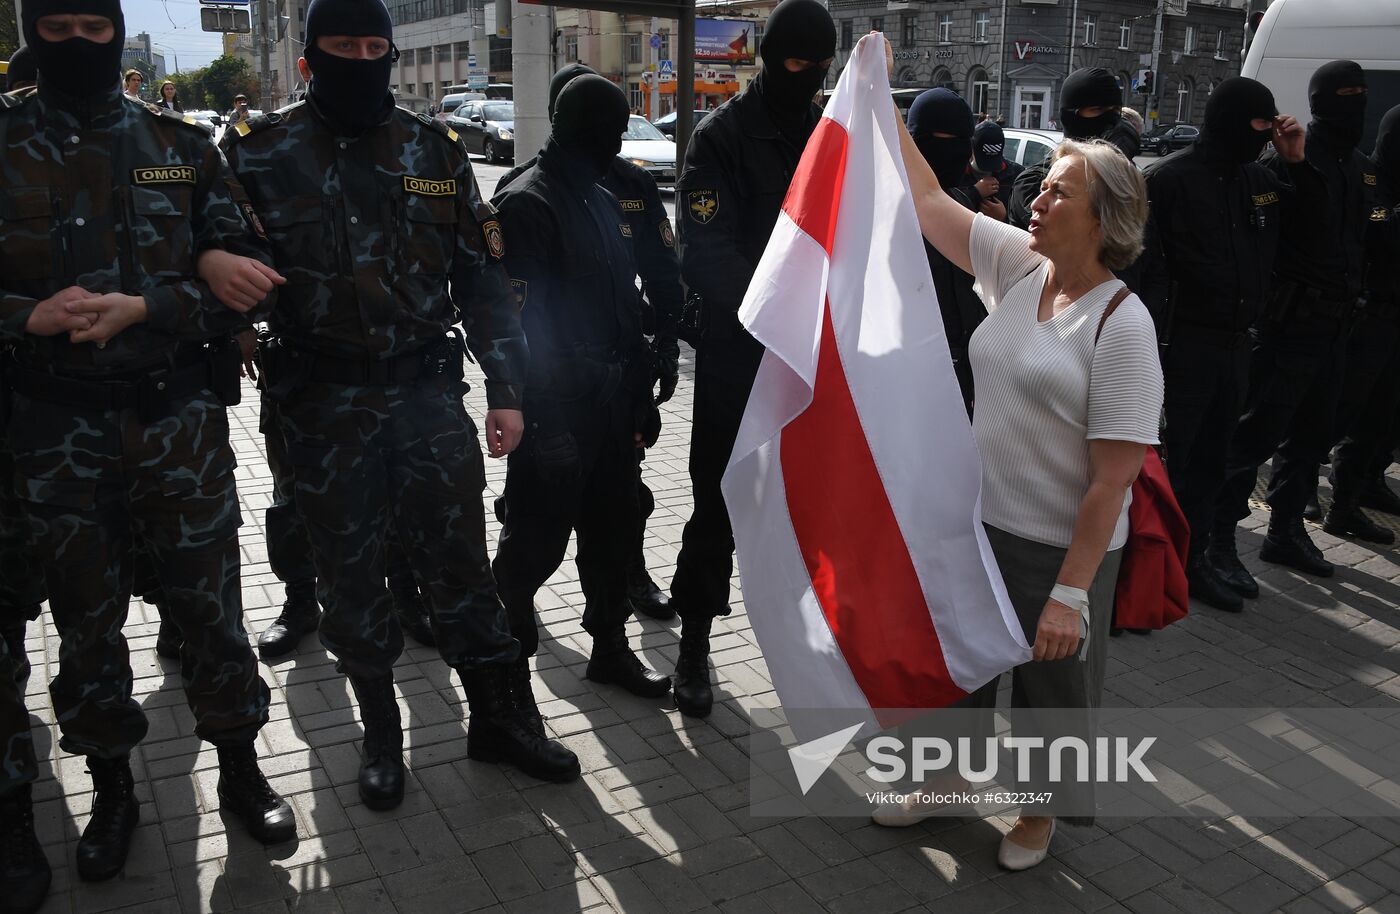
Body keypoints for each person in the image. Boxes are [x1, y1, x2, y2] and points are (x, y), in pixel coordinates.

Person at [219, 0, 580, 810]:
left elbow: (483, 283)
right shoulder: (259, 153)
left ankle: (501, 721)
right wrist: (231, 316)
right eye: (344, 46)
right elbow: (220, 266)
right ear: (311, 57)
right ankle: (382, 736)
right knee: (351, 579)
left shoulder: (434, 149)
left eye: (374, 45)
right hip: (320, 406)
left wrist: (508, 390)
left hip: (426, 399)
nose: (362, 58)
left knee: (461, 569)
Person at [0, 2, 298, 907]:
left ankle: (242, 770)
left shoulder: (177, 142)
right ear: (30, 28)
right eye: (61, 26)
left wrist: (170, 295)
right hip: (52, 434)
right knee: (87, 628)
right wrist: (26, 319)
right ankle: (113, 791)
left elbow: (252, 263)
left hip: (177, 429)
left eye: (98, 24)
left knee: (211, 612)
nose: (82, 43)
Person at [873, 33, 1162, 869]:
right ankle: (947, 781)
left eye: (1058, 193)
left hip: (1059, 547)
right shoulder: (1019, 266)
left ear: (1104, 219)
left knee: (1052, 689)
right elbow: (929, 205)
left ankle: (1038, 816)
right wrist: (879, 100)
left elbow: (1115, 479)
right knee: (960, 665)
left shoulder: (1122, 326)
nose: (1034, 199)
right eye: (1040, 187)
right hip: (979, 524)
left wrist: (1071, 593)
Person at [670, 0, 836, 719]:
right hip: (743, 355)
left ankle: (813, 649)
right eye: (792, 62)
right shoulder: (724, 136)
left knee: (813, 506)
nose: (802, 76)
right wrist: (780, 318)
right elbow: (708, 254)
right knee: (720, 500)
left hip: (817, 358)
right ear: (767, 57)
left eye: (816, 65)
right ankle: (696, 644)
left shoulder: (832, 133)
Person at [491, 74, 674, 705]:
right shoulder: (527, 203)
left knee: (613, 530)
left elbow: (627, 303)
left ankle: (609, 648)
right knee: (534, 546)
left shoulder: (601, 197)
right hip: (556, 410)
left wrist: (641, 387)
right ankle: (506, 680)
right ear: (576, 128)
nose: (618, 142)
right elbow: (516, 326)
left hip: (612, 402)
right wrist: (538, 411)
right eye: (610, 130)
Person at [1139, 78, 1317, 612]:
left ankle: (1196, 562)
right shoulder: (1168, 180)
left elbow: (1308, 233)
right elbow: (1141, 271)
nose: (1263, 135)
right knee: (1170, 464)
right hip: (1183, 348)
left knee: (1214, 464)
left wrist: (1295, 163)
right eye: (1257, 126)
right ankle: (1147, 572)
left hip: (1237, 347)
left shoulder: (1258, 179)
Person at [1212, 60, 1372, 587]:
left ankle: (1284, 530)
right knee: (1254, 437)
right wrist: (1298, 162)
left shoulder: (1357, 164)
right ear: (1322, 99)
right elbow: (1296, 226)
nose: (1356, 102)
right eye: (1344, 93)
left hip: (1335, 327)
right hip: (1289, 328)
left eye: (1361, 93)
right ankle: (1219, 541)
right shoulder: (1291, 160)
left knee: (1311, 438)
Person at [1322, 105, 1400, 543]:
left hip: (1393, 321)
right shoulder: (1372, 179)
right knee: (1352, 415)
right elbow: (1379, 232)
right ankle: (1332, 502)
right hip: (1370, 318)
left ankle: (1362, 489)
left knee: (1385, 417)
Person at [906, 88, 986, 409]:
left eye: (966, 144)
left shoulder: (959, 200)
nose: (964, 156)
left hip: (963, 373)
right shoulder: (888, 211)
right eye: (949, 142)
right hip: (912, 379)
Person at [1008, 67, 1126, 229]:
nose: (1111, 119)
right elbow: (1063, 233)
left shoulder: (1121, 175)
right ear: (1071, 115)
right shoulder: (1034, 182)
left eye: (1115, 111)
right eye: (1097, 110)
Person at [960, 118, 1023, 221]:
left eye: (993, 159)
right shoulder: (957, 173)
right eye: (984, 160)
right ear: (972, 148)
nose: (988, 169)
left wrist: (1004, 217)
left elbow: (1026, 222)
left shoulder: (1015, 175)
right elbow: (943, 212)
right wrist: (975, 193)